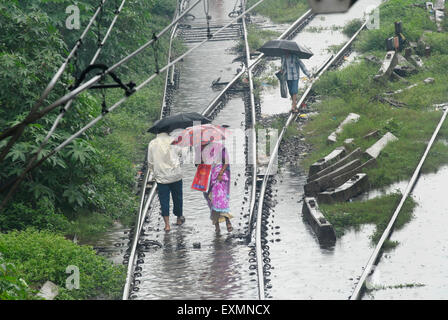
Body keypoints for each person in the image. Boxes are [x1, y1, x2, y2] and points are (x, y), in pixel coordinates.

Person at [147, 132, 184, 232]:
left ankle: (167, 225)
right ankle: (178, 219)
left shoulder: (152, 143)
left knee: (164, 200)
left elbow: (150, 162)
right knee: (178, 198)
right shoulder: (174, 140)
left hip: (162, 177)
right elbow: (181, 153)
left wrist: (153, 171)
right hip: (176, 175)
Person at [201, 141, 233, 233]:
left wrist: (221, 172)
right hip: (207, 178)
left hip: (218, 176)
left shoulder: (220, 147)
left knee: (220, 199)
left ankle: (228, 221)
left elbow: (226, 162)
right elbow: (199, 164)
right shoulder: (202, 149)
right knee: (211, 202)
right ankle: (217, 225)